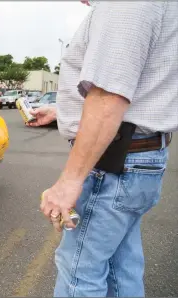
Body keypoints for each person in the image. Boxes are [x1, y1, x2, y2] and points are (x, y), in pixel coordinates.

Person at [29, 1, 177, 297]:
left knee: (79, 272)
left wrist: (70, 181)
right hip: (136, 157)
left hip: (116, 164)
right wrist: (63, 112)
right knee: (121, 267)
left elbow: (109, 95)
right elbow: (139, 86)